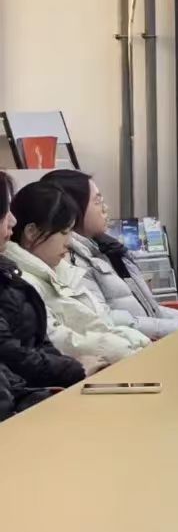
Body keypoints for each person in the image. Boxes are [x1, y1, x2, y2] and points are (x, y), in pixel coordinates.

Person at [2, 183, 149, 371]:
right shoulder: (22, 284)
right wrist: (124, 347)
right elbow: (60, 341)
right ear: (31, 232)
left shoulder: (62, 270)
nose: (69, 242)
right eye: (64, 232)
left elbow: (100, 320)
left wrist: (132, 339)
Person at [41, 170, 178, 339]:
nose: (105, 209)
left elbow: (149, 308)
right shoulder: (70, 262)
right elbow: (107, 321)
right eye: (98, 202)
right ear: (72, 209)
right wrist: (177, 327)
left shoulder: (107, 249)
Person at [0, 172, 83, 413]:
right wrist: (74, 369)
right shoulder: (22, 277)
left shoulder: (11, 276)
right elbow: (13, 355)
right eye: (4, 212)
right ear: (32, 232)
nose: (12, 221)